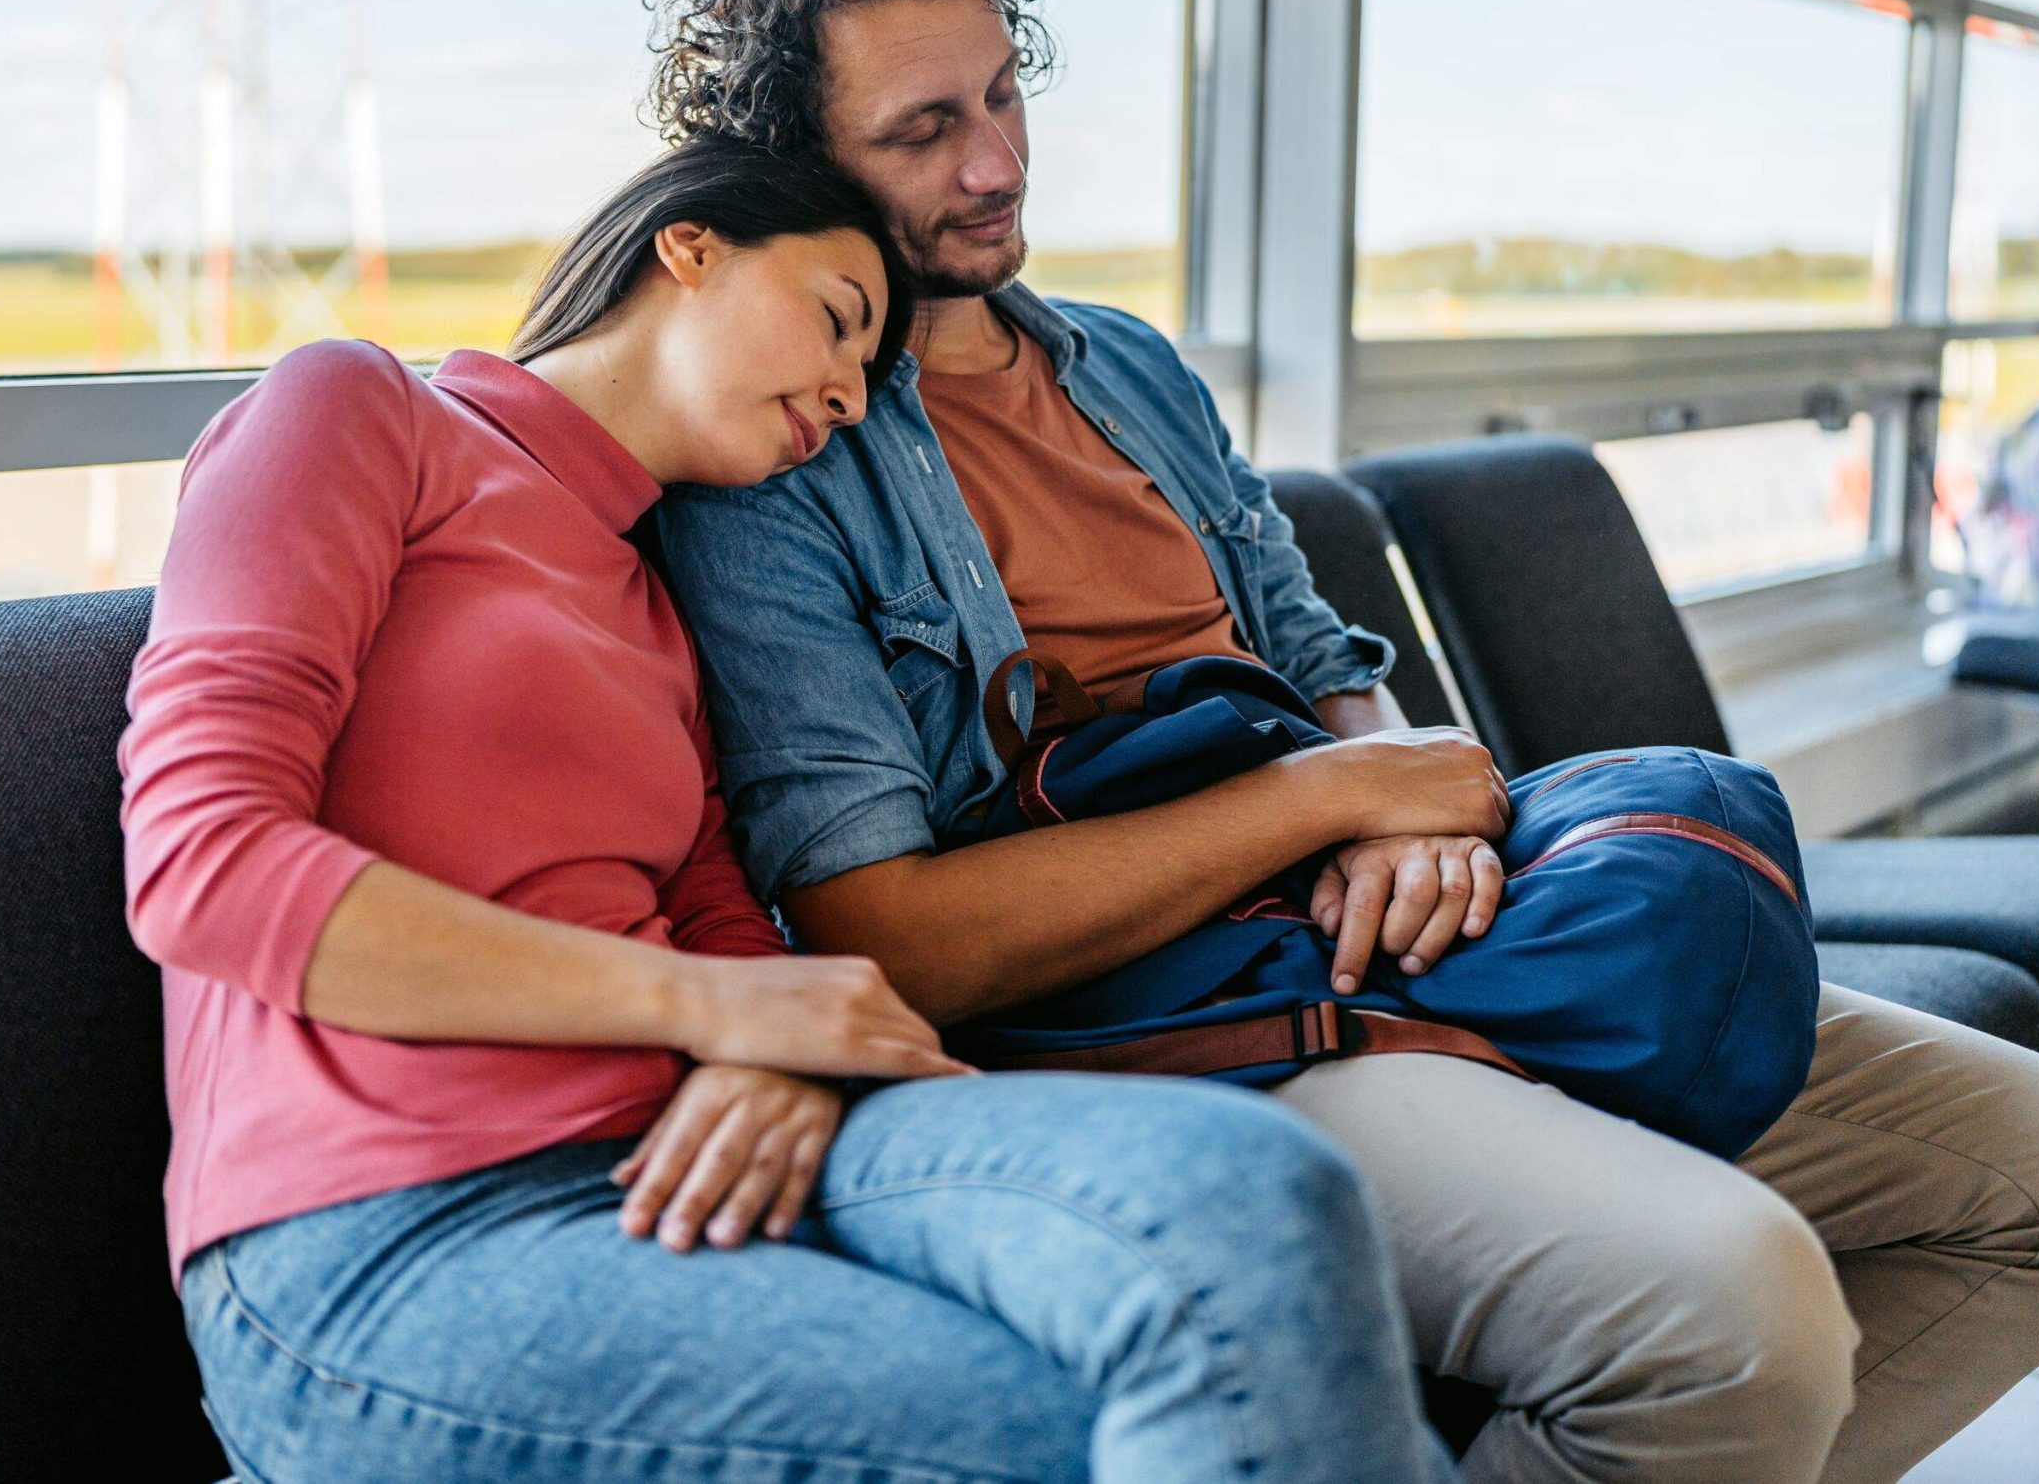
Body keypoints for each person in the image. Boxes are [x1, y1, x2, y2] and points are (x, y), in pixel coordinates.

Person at [647, 0, 2039, 1484]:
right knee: (1737, 1317)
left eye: (1004, 95)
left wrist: (1422, 812)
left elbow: (1315, 649)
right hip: (1172, 1025)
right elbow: (892, 936)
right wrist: (1350, 792)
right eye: (924, 130)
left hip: (1397, 931)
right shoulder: (782, 461)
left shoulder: (1133, 370)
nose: (998, 162)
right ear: (798, 160)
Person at [120, 131, 1454, 1484]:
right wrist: (714, 1012)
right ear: (687, 247)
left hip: (723, 1136)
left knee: (1268, 1199)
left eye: (871, 372)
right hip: (390, 1223)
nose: (848, 391)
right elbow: (201, 859)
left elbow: (710, 904)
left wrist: (768, 1040)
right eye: (835, 318)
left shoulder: (657, 595)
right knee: (1127, 1417)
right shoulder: (357, 413)